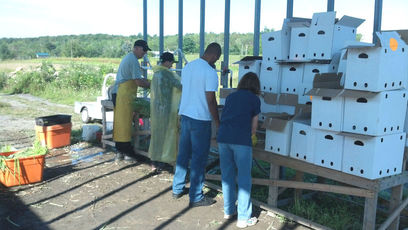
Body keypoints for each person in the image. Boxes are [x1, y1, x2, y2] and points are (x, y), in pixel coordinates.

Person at [172, 42, 221, 207]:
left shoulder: (189, 67)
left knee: (183, 155)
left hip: (185, 115)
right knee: (199, 159)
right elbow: (211, 100)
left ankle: (177, 189)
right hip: (200, 120)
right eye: (217, 58)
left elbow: (188, 90)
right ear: (214, 56)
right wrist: (217, 121)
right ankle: (196, 196)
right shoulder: (210, 72)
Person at [217, 72, 260, 228]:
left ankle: (228, 211)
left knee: (227, 175)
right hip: (241, 140)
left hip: (223, 138)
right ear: (256, 85)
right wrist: (253, 137)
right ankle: (243, 218)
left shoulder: (230, 97)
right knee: (243, 179)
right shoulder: (255, 99)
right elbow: (253, 127)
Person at [113, 40, 151, 162]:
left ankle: (120, 151)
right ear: (137, 48)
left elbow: (138, 78)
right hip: (124, 94)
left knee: (121, 122)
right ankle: (127, 151)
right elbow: (139, 82)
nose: (144, 53)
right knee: (124, 123)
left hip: (122, 93)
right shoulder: (133, 60)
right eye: (144, 50)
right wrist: (153, 85)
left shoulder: (129, 58)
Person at [149, 52, 182, 171]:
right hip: (166, 109)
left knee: (157, 134)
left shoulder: (156, 73)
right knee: (166, 135)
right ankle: (164, 159)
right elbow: (180, 86)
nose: (172, 65)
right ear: (167, 62)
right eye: (172, 62)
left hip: (156, 108)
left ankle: (154, 161)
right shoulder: (167, 74)